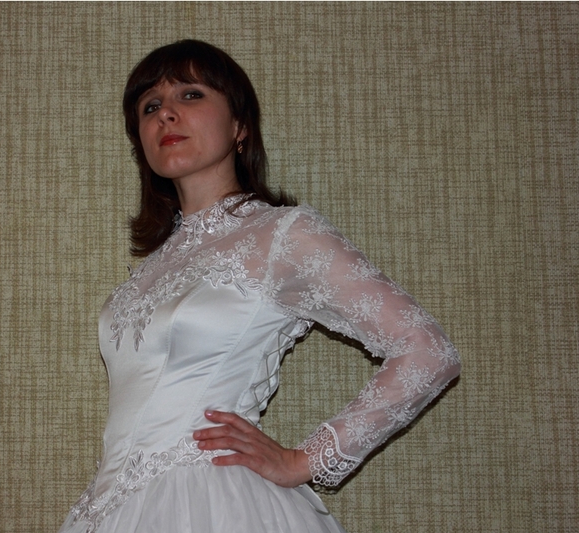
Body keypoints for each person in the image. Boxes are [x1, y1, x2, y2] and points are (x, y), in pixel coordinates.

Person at [59, 40, 460, 533]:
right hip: (111, 511)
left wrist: (303, 460)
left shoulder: (282, 234)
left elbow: (427, 351)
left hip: (217, 504)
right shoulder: (149, 269)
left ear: (239, 126)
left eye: (190, 95)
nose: (166, 114)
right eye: (150, 106)